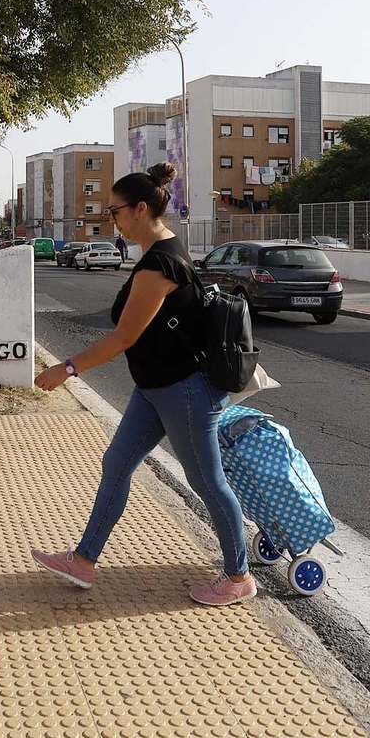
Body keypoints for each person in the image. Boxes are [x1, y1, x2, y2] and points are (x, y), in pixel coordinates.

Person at [30, 162, 254, 607]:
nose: (110, 219)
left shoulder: (160, 264)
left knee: (206, 482)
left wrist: (67, 369)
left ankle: (238, 576)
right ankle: (84, 560)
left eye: (113, 212)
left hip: (186, 390)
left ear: (138, 209)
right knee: (116, 464)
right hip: (154, 388)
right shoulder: (157, 252)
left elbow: (124, 336)